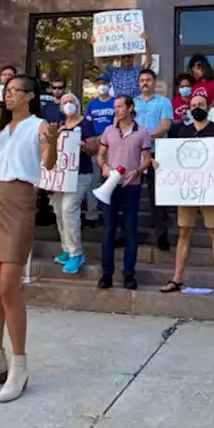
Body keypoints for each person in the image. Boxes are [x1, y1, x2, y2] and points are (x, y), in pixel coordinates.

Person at [0, 75, 59, 403]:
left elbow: (48, 163)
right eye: (7, 90)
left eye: (15, 90)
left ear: (30, 96)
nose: (9, 94)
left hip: (19, 200)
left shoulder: (38, 124)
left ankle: (19, 364)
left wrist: (55, 141)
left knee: (8, 284)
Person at [158, 91, 214, 298]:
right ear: (189, 109)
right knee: (184, 232)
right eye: (193, 105)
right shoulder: (182, 131)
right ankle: (177, 277)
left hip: (211, 190)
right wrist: (161, 164)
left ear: (208, 107)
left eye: (201, 104)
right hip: (187, 191)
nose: (197, 107)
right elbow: (173, 159)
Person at [96, 94, 154, 290]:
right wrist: (103, 166)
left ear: (130, 108)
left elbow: (147, 158)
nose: (117, 110)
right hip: (110, 185)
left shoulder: (142, 132)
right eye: (115, 107)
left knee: (130, 230)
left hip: (132, 186)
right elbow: (101, 154)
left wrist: (137, 171)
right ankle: (106, 274)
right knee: (108, 230)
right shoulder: (109, 130)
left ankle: (129, 275)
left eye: (120, 106)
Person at [48, 93, 99, 275]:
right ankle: (67, 249)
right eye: (65, 102)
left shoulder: (85, 124)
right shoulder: (61, 126)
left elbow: (94, 149)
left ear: (77, 105)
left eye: (71, 101)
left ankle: (76, 253)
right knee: (59, 211)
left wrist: (81, 145)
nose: (68, 105)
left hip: (79, 174)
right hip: (60, 175)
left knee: (69, 210)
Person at [133, 68, 174, 251]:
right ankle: (127, 233)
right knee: (129, 194)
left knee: (157, 196)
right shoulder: (132, 103)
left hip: (157, 153)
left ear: (154, 82)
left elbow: (165, 125)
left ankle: (161, 235)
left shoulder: (164, 102)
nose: (145, 83)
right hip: (134, 154)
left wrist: (146, 138)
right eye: (142, 80)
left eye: (148, 80)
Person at [83, 75, 116, 225]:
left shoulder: (114, 103)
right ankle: (92, 214)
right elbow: (88, 124)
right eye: (99, 84)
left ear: (109, 85)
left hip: (112, 145)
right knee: (94, 181)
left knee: (111, 179)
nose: (102, 86)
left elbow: (117, 123)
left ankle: (111, 213)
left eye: (104, 83)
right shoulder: (91, 105)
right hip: (95, 146)